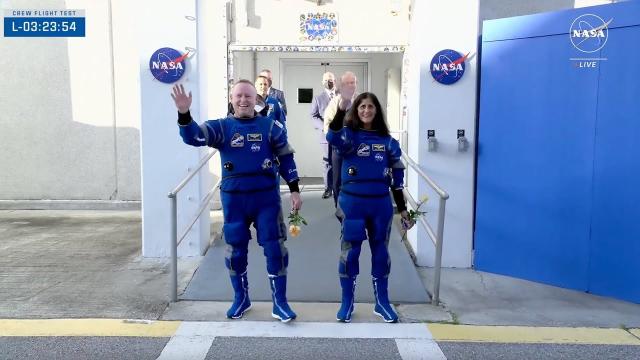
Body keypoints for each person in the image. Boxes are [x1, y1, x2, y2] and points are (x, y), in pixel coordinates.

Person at [171, 81, 302, 322]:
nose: (243, 100)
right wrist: (184, 113)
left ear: (256, 99)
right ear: (231, 99)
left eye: (248, 96)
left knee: (275, 249)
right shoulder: (222, 127)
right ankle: (241, 299)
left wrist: (294, 190)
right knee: (235, 251)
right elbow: (193, 137)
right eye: (239, 96)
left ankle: (280, 303)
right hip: (234, 201)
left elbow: (286, 158)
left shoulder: (271, 126)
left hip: (266, 199)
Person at [326, 92, 415, 323]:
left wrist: (403, 209)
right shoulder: (349, 136)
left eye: (371, 107)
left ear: (377, 110)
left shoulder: (388, 142)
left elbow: (397, 181)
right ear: (356, 110)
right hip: (352, 204)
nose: (366, 110)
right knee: (350, 254)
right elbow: (332, 136)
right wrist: (340, 110)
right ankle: (347, 303)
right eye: (362, 106)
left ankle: (382, 302)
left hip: (380, 205)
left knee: (381, 254)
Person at [323, 71, 358, 206]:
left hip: (358, 149)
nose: (350, 86)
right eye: (346, 83)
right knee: (337, 179)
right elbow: (327, 125)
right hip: (338, 149)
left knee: (357, 177)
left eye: (352, 82)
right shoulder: (334, 103)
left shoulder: (362, 101)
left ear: (356, 84)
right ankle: (340, 208)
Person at [310, 71, 337, 199]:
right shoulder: (318, 98)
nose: (328, 82)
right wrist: (324, 127)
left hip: (343, 135)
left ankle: (341, 188)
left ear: (335, 81)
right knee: (328, 162)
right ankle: (328, 188)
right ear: (322, 82)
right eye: (326, 80)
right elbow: (313, 116)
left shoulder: (342, 96)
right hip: (326, 136)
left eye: (330, 80)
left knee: (343, 161)